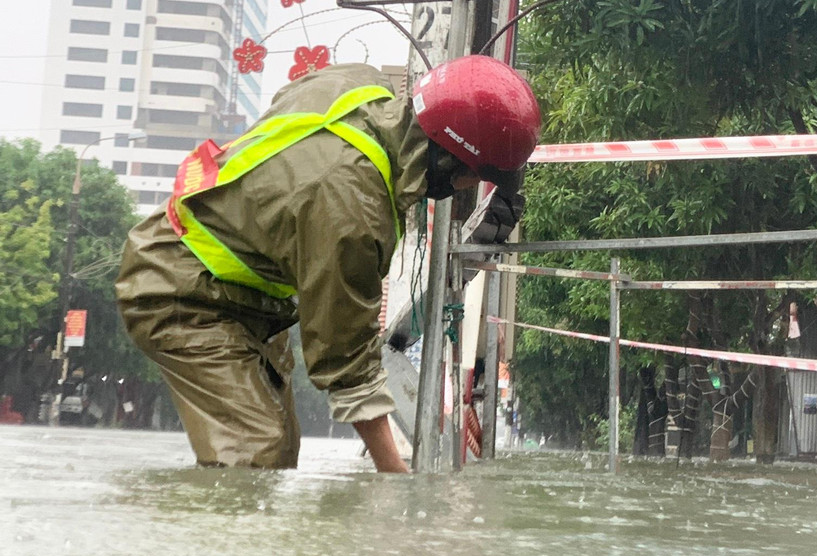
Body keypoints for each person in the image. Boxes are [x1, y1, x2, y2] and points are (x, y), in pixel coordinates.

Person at [115, 55, 540, 472]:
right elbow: (347, 363)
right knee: (255, 454)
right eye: (472, 176)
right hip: (181, 293)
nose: (465, 187)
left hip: (246, 293)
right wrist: (397, 484)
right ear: (448, 161)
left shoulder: (358, 83)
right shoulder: (351, 210)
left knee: (278, 451)